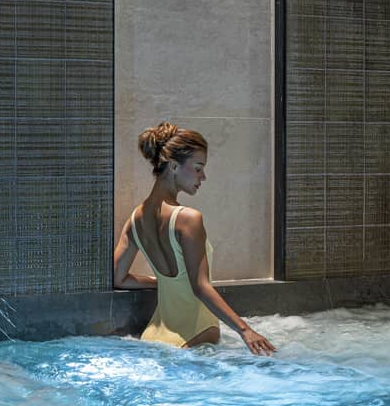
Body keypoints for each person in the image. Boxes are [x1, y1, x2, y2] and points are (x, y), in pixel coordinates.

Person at [112, 122, 276, 356]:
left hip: (153, 338)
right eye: (198, 168)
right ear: (174, 166)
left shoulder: (135, 219)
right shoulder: (188, 218)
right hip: (195, 333)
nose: (203, 176)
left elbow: (119, 279)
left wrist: (163, 281)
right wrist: (245, 330)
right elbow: (200, 287)